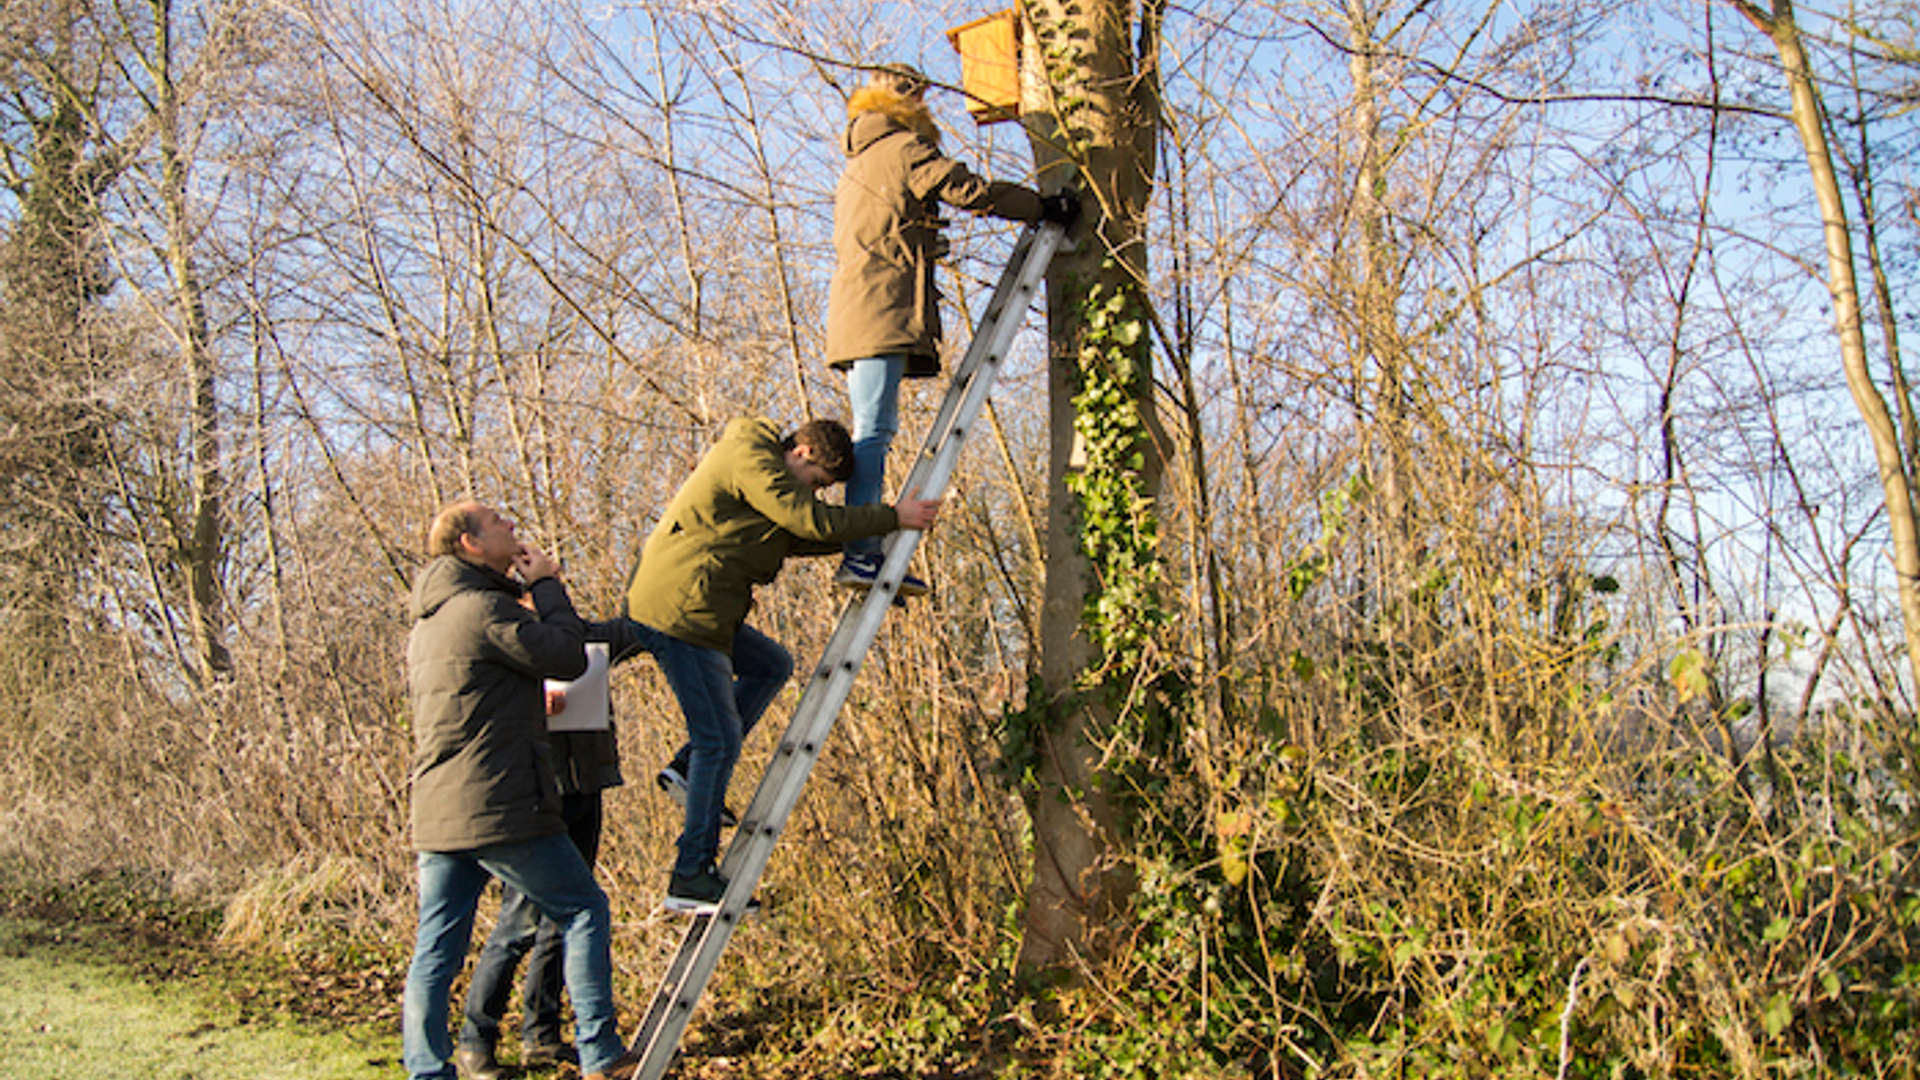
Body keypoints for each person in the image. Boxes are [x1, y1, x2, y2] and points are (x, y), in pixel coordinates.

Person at [614, 417, 942, 913]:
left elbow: (803, 537)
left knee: (772, 664)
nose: (815, 495)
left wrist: (873, 536)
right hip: (680, 609)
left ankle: (685, 771)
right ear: (803, 452)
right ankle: (690, 876)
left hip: (704, 610)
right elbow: (809, 521)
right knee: (718, 739)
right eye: (816, 485)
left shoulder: (771, 489)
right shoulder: (750, 457)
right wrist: (893, 516)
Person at [402, 501, 637, 1080]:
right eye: (498, 521)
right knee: (583, 908)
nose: (511, 523)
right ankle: (601, 1054)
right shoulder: (481, 609)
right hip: (498, 802)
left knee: (437, 947)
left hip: (439, 808)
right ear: (468, 544)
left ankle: (428, 1070)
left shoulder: (429, 622)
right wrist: (548, 583)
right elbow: (566, 654)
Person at [825, 62, 1078, 595]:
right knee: (872, 432)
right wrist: (1041, 207)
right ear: (909, 102)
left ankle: (864, 549)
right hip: (879, 310)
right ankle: (861, 553)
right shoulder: (902, 148)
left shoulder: (859, 160)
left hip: (859, 310)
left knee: (875, 427)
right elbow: (964, 188)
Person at [452, 687, 623, 1080]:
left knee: (564, 924)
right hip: (539, 791)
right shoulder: (513, 630)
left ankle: (542, 1034)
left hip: (586, 779)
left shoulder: (577, 629)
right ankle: (476, 1041)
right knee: (517, 924)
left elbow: (615, 643)